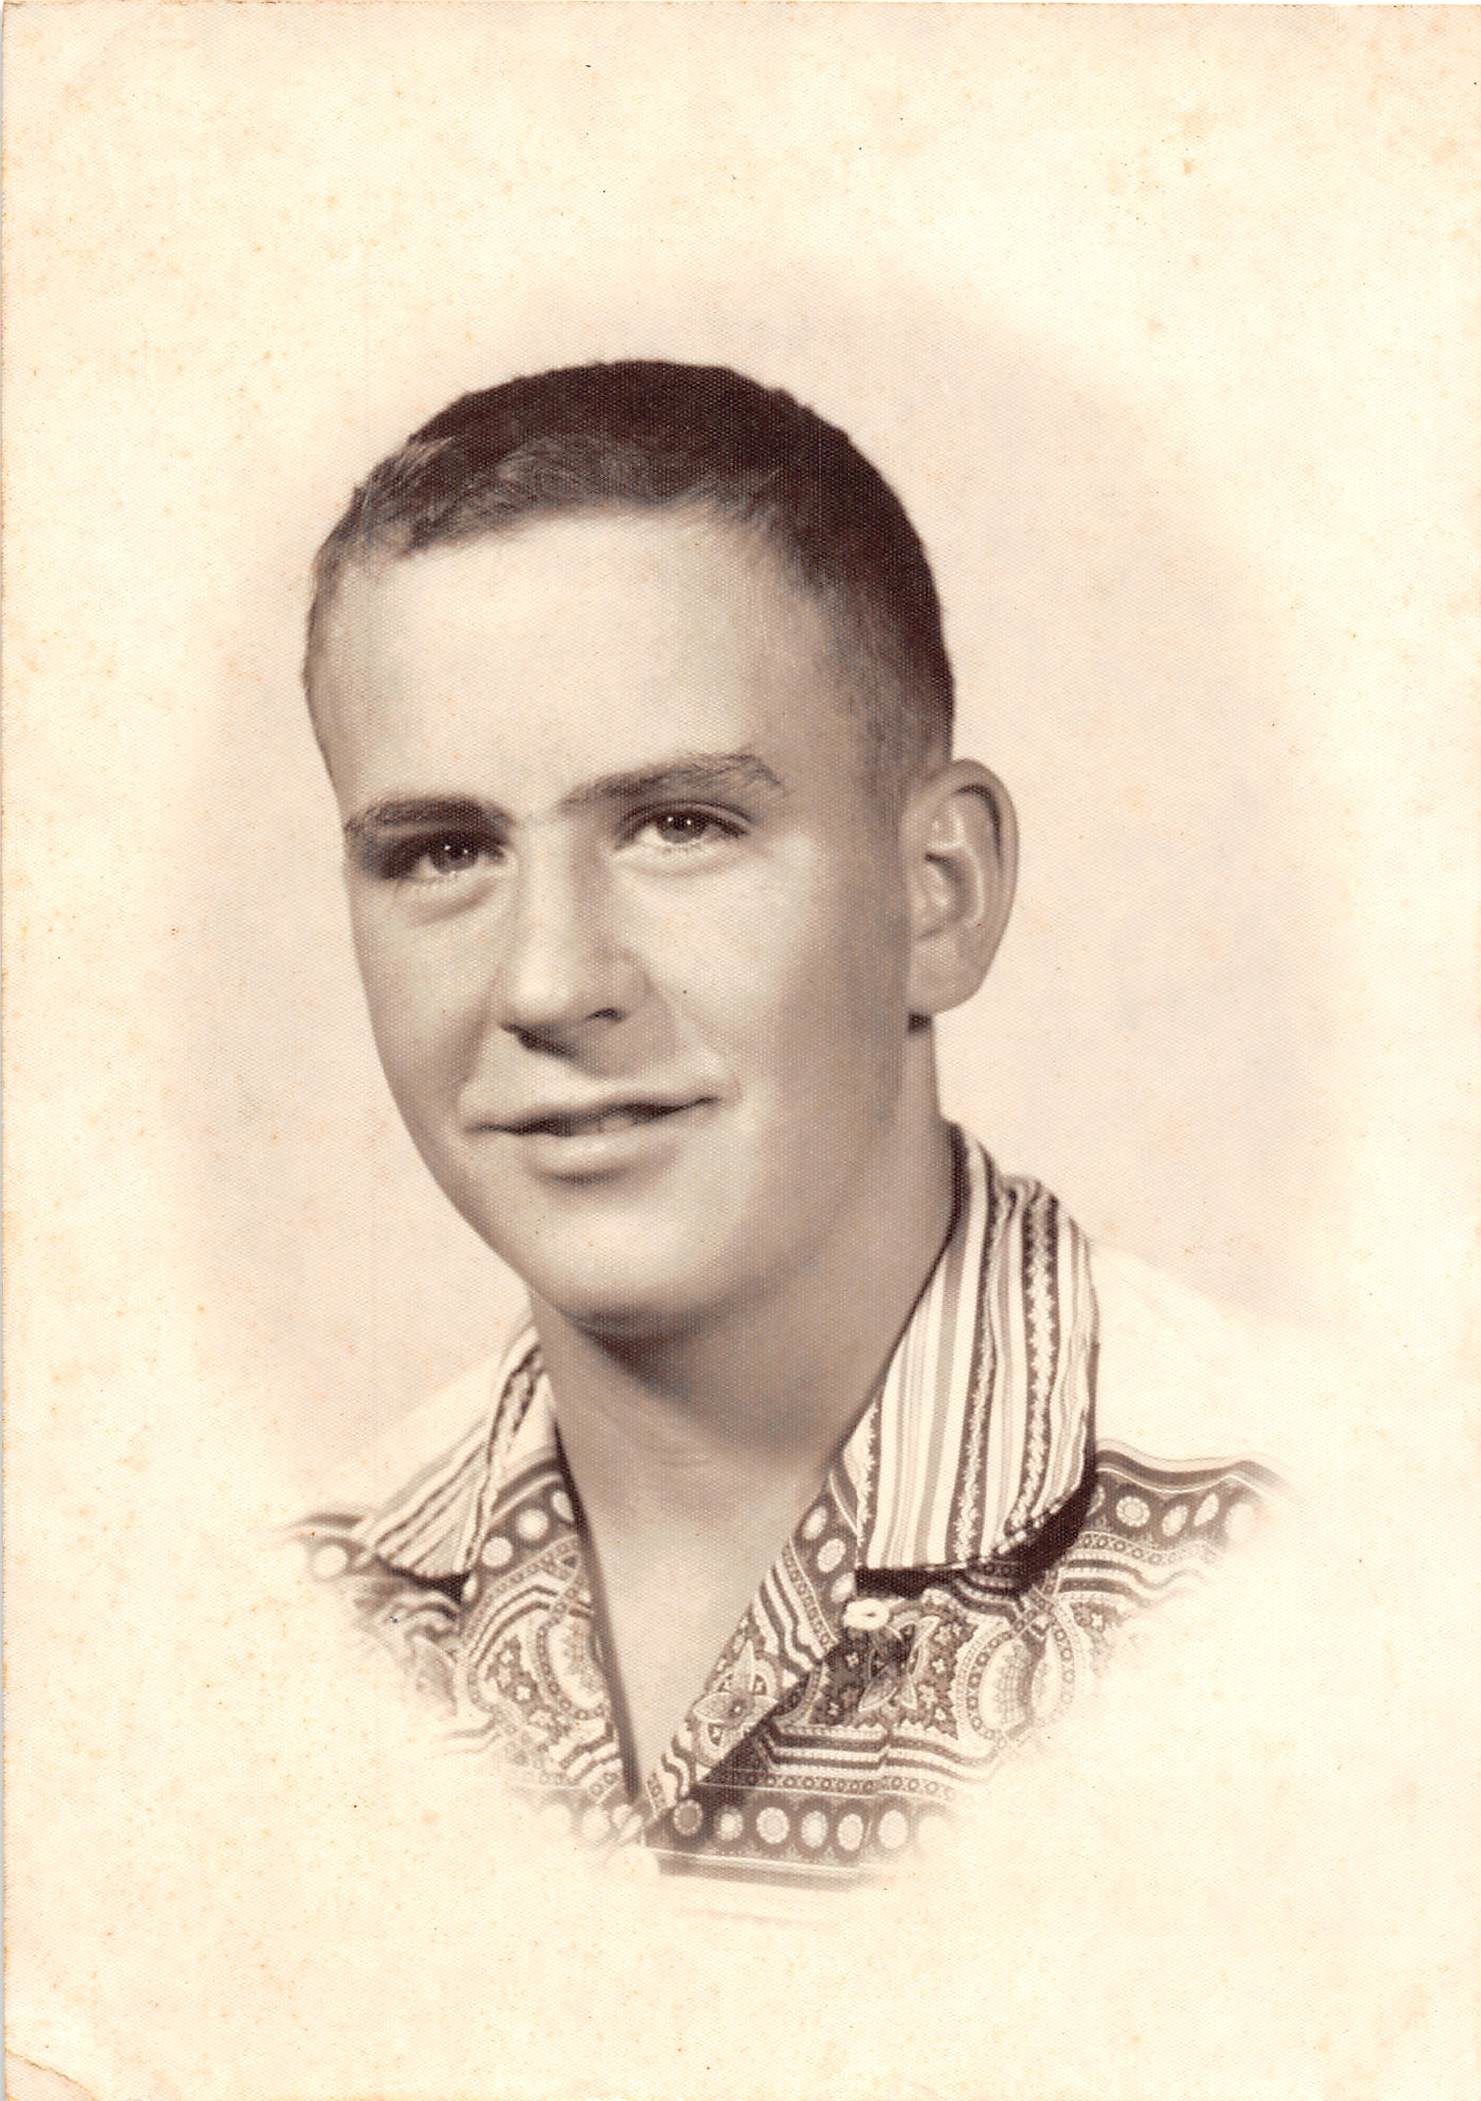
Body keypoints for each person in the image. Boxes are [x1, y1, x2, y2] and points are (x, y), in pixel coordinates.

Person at [293, 361, 1282, 1892]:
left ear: (937, 893)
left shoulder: (1339, 1563)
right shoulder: (277, 1642)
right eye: (441, 851)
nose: (548, 981)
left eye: (680, 824)